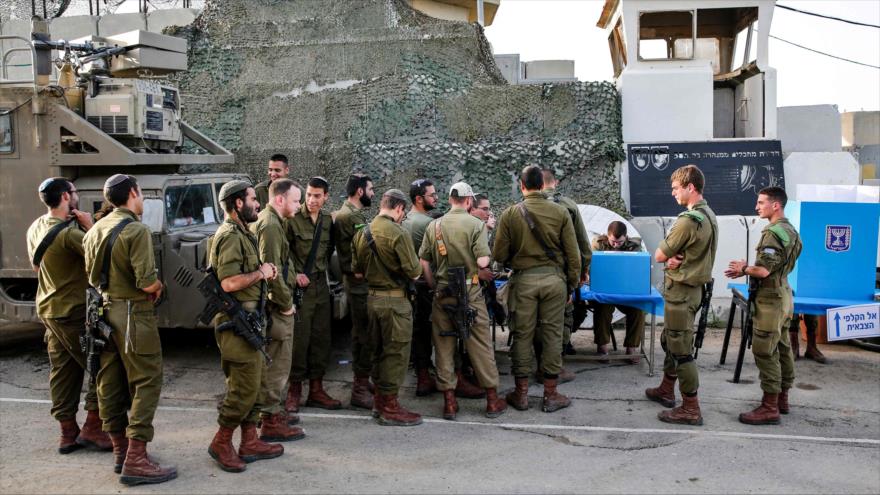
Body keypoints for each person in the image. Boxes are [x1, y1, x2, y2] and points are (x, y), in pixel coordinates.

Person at [82, 174, 176, 485]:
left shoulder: (95, 228)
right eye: (140, 193)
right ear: (134, 193)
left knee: (109, 379)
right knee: (147, 379)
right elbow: (146, 282)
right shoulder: (137, 230)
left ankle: (121, 451)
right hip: (134, 312)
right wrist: (157, 285)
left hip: (102, 312)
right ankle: (136, 456)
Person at [26, 178, 111, 455]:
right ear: (65, 197)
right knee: (104, 364)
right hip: (74, 312)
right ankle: (94, 427)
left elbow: (37, 267)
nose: (77, 197)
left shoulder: (36, 227)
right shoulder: (70, 234)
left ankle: (67, 433)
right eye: (74, 192)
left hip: (49, 310)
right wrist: (90, 225)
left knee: (63, 372)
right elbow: (102, 255)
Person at [207, 180, 285, 473]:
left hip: (251, 320)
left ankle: (250, 440)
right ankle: (221, 441)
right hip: (237, 325)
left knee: (254, 385)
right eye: (252, 199)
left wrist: (265, 274)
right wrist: (260, 272)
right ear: (238, 203)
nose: (257, 203)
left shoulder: (244, 232)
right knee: (243, 388)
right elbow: (228, 282)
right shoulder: (229, 235)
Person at [493, 166, 581, 413]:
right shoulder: (560, 212)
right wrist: (571, 285)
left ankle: (520, 394)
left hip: (523, 282)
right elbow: (573, 255)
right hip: (555, 282)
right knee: (553, 334)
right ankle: (551, 394)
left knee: (522, 335)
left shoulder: (510, 214)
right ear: (543, 185)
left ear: (522, 186)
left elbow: (499, 254)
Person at [419, 182, 507, 420]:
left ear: (449, 199)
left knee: (444, 348)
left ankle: (449, 403)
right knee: (480, 346)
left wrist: (433, 285)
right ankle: (491, 401)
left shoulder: (434, 225)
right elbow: (481, 263)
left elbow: (424, 262)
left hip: (442, 294)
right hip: (470, 293)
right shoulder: (476, 225)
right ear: (469, 201)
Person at [646, 164, 717, 426]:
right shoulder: (708, 214)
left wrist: (673, 258)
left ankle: (690, 407)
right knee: (671, 341)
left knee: (681, 349)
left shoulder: (688, 220)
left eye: (676, 188)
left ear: (690, 187)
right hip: (693, 290)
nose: (673, 193)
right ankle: (666, 388)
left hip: (682, 293)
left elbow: (660, 254)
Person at [725, 187, 801, 424]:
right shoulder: (790, 231)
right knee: (782, 346)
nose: (757, 207)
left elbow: (764, 270)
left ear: (775, 205)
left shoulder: (773, 234)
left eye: (761, 202)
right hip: (784, 296)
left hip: (770, 300)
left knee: (764, 350)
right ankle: (782, 398)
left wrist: (743, 269)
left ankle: (769, 406)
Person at [352, 189, 423, 426]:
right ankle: (390, 407)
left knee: (378, 351)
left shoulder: (362, 233)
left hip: (371, 299)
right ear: (399, 208)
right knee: (396, 354)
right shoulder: (398, 233)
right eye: (403, 213)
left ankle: (379, 403)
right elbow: (414, 272)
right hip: (395, 302)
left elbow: (357, 271)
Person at [250, 179, 306, 441]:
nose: (300, 205)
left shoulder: (276, 222)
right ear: (280, 199)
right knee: (277, 363)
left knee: (277, 362)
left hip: (277, 304)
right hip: (276, 308)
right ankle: (270, 418)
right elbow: (272, 270)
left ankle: (272, 411)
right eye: (296, 200)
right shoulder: (271, 225)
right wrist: (286, 305)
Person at [286, 177, 341, 411]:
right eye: (308, 194)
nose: (311, 200)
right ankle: (294, 390)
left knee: (321, 338)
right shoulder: (292, 220)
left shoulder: (328, 221)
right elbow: (282, 253)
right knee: (300, 338)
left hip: (321, 285)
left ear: (326, 196)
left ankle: (316, 389)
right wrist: (294, 274)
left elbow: (328, 252)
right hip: (301, 287)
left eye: (317, 196)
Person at [539, 168, 590, 380]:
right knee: (562, 318)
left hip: (528, 275)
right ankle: (554, 367)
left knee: (534, 320)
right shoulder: (568, 206)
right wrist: (582, 271)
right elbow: (582, 244)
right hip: (561, 274)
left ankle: (537, 364)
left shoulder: (522, 207)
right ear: (556, 182)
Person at [333, 173, 376, 410]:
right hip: (358, 284)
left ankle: (363, 379)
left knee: (363, 333)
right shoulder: (351, 216)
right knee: (364, 335)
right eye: (370, 189)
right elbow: (360, 253)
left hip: (358, 282)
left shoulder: (351, 214)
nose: (372, 193)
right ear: (359, 191)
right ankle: (359, 389)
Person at [402, 179, 439, 396]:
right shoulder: (427, 224)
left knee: (418, 332)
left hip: (411, 285)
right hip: (425, 285)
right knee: (425, 332)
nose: (436, 198)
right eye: (431, 195)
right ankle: (425, 377)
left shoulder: (406, 218)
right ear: (419, 198)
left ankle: (421, 370)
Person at [591, 221, 646, 364]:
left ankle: (631, 348)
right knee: (602, 306)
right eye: (613, 242)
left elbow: (637, 271)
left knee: (638, 309)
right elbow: (592, 268)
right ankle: (602, 347)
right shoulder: (598, 244)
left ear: (626, 237)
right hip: (604, 291)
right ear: (607, 236)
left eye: (620, 242)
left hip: (626, 292)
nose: (616, 245)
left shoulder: (634, 246)